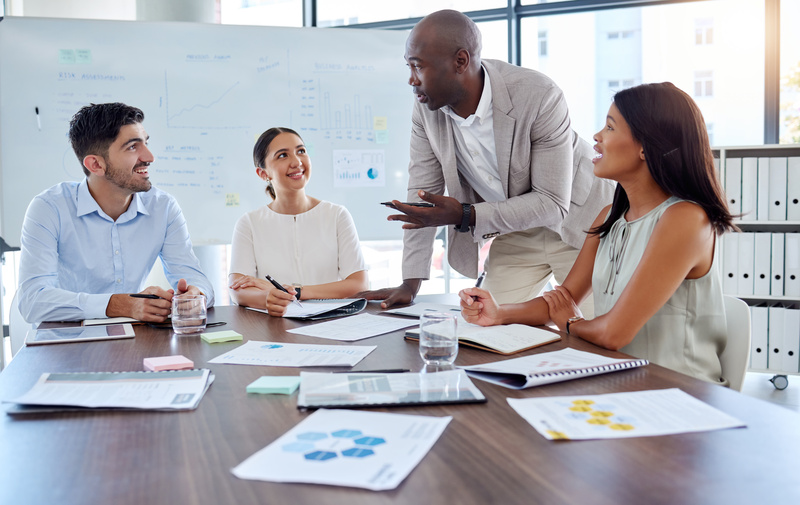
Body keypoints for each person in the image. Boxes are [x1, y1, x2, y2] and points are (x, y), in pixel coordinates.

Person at [460, 82, 736, 385]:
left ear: (646, 146)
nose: (596, 137)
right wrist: (499, 313)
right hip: (622, 380)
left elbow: (612, 333)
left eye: (610, 127)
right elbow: (562, 300)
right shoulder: (609, 216)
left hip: (679, 395)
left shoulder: (684, 219)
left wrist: (571, 322)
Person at [357, 9, 614, 311]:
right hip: (516, 230)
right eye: (408, 67)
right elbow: (422, 194)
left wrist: (466, 215)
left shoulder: (538, 95)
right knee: (486, 325)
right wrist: (410, 282)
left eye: (418, 67)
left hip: (579, 223)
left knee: (591, 333)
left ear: (460, 61)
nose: (412, 80)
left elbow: (551, 203)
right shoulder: (426, 110)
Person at [18, 102, 214, 323]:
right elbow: (32, 301)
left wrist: (196, 295)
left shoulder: (163, 207)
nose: (149, 156)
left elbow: (197, 279)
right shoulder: (49, 208)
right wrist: (120, 304)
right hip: (66, 339)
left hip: (133, 338)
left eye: (145, 143)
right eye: (132, 147)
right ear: (96, 165)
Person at [228, 127, 368, 316]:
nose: (296, 161)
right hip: (274, 327)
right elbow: (238, 289)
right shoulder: (249, 223)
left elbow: (358, 284)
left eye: (301, 151)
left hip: (329, 323)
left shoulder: (337, 215)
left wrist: (295, 292)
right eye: (283, 155)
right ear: (263, 173)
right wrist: (269, 299)